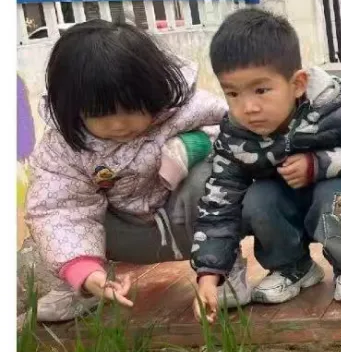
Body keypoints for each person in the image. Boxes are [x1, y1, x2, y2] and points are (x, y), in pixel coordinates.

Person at [191, 8, 341, 320]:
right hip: (285, 206)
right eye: (233, 93)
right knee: (258, 198)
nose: (249, 107)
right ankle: (293, 267)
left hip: (338, 199)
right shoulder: (235, 137)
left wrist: (318, 165)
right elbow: (219, 203)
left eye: (261, 90)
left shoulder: (333, 110)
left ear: (298, 84)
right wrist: (208, 272)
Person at [24, 19, 232, 322]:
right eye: (100, 114)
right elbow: (58, 210)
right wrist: (86, 272)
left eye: (132, 109)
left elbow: (237, 129)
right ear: (72, 108)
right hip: (124, 236)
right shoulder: (64, 149)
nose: (119, 124)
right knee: (59, 220)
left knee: (215, 175)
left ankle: (224, 270)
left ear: (153, 92)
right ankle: (86, 286)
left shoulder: (186, 109)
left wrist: (196, 144)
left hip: (187, 225)